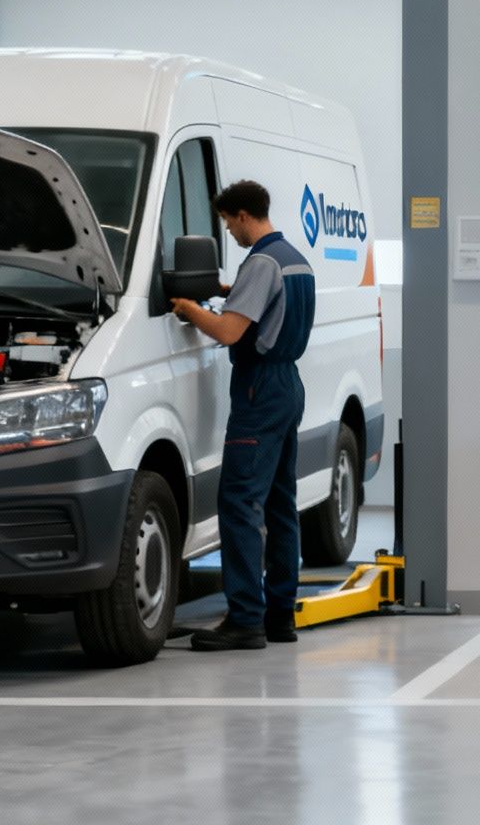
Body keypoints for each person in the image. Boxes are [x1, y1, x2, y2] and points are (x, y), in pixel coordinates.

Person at [171, 180, 317, 651]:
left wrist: (192, 309)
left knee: (238, 503)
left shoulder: (261, 261)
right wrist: (224, 288)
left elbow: (231, 331)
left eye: (229, 223)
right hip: (288, 384)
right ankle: (280, 617)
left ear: (242, 215)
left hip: (259, 387)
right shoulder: (293, 257)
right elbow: (266, 299)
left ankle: (245, 620)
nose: (229, 232)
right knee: (279, 504)